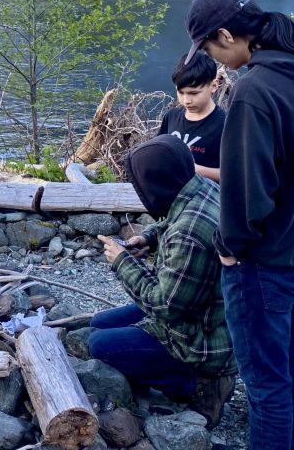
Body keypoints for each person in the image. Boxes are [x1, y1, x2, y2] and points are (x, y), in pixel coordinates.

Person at [184, 0, 294, 449]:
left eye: (211, 49)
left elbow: (247, 190)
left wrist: (231, 249)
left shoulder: (255, 91)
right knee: (293, 364)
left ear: (225, 34)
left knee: (266, 382)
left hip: (267, 260)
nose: (214, 61)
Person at [88, 134, 237, 429]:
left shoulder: (189, 233)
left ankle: (198, 385)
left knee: (99, 344)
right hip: (200, 309)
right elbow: (172, 217)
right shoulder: (202, 187)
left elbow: (165, 305)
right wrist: (149, 238)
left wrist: (121, 261)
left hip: (202, 339)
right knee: (99, 323)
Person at [158, 50, 225, 182]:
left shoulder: (226, 124)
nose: (186, 100)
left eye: (194, 93)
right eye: (181, 92)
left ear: (214, 85)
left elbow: (235, 174)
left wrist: (191, 168)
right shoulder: (171, 117)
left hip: (206, 198)